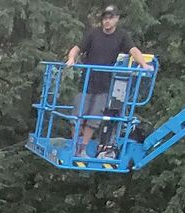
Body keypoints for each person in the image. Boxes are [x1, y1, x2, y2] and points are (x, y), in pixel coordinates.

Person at [64, 6, 155, 157]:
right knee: (77, 116)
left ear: (117, 19)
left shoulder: (121, 36)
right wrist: (71, 58)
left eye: (110, 18)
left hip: (105, 85)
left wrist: (144, 65)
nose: (107, 21)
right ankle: (75, 146)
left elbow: (133, 50)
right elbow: (76, 48)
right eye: (105, 18)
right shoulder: (93, 34)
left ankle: (82, 149)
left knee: (94, 119)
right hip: (87, 82)